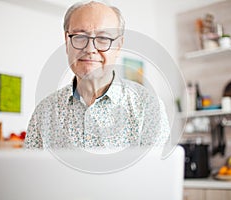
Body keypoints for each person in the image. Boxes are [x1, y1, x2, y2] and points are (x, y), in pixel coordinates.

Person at [24, 1, 170, 150]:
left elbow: (156, 172)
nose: (90, 49)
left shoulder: (149, 108)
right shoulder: (44, 113)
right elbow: (28, 172)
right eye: (80, 37)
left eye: (103, 38)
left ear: (118, 46)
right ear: (67, 42)